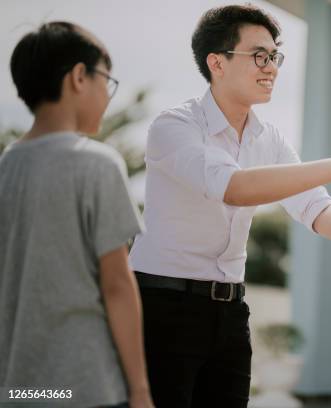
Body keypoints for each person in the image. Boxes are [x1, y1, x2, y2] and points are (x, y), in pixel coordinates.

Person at [128, 4, 331, 408]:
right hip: (163, 307)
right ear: (216, 63)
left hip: (230, 313)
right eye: (259, 55)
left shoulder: (268, 137)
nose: (272, 66)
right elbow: (235, 186)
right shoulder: (174, 127)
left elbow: (310, 202)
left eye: (275, 55)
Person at [0, 22, 153, 408]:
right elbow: (117, 285)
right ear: (79, 77)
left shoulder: (6, 167)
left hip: (17, 388)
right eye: (107, 80)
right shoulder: (96, 165)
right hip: (84, 386)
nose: (108, 95)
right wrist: (140, 392)